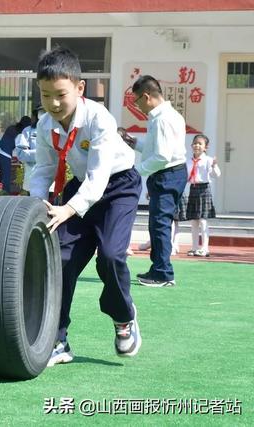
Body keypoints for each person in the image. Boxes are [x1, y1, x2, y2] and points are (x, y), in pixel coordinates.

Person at [30, 47, 142, 366]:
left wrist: (68, 209)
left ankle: (124, 320)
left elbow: (99, 175)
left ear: (80, 88)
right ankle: (57, 340)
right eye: (45, 94)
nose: (53, 103)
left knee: (110, 256)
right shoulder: (44, 125)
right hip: (80, 187)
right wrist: (37, 201)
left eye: (60, 95)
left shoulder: (99, 119)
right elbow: (42, 168)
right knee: (61, 260)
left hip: (118, 187)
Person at [118, 75, 187, 287]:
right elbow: (156, 147)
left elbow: (162, 156)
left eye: (137, 101)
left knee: (159, 225)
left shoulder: (162, 119)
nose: (137, 106)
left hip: (167, 173)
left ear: (146, 96)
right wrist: (133, 142)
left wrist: (136, 171)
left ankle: (163, 273)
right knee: (158, 223)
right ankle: (158, 268)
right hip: (170, 173)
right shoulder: (166, 115)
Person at [180, 134, 221, 257]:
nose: (197, 145)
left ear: (205, 147)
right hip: (193, 189)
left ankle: (205, 248)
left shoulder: (208, 160)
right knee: (193, 221)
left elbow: (217, 174)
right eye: (195, 143)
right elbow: (185, 176)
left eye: (200, 144)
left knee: (203, 220)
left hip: (204, 190)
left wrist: (214, 166)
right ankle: (194, 247)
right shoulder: (188, 161)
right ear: (191, 145)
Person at [0, 116, 31, 194]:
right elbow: (20, 148)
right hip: (6, 155)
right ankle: (5, 196)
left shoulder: (11, 128)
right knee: (6, 178)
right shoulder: (20, 134)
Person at [13, 105, 43, 195]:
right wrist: (42, 154)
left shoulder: (53, 130)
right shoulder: (28, 131)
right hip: (32, 173)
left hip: (50, 177)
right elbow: (21, 154)